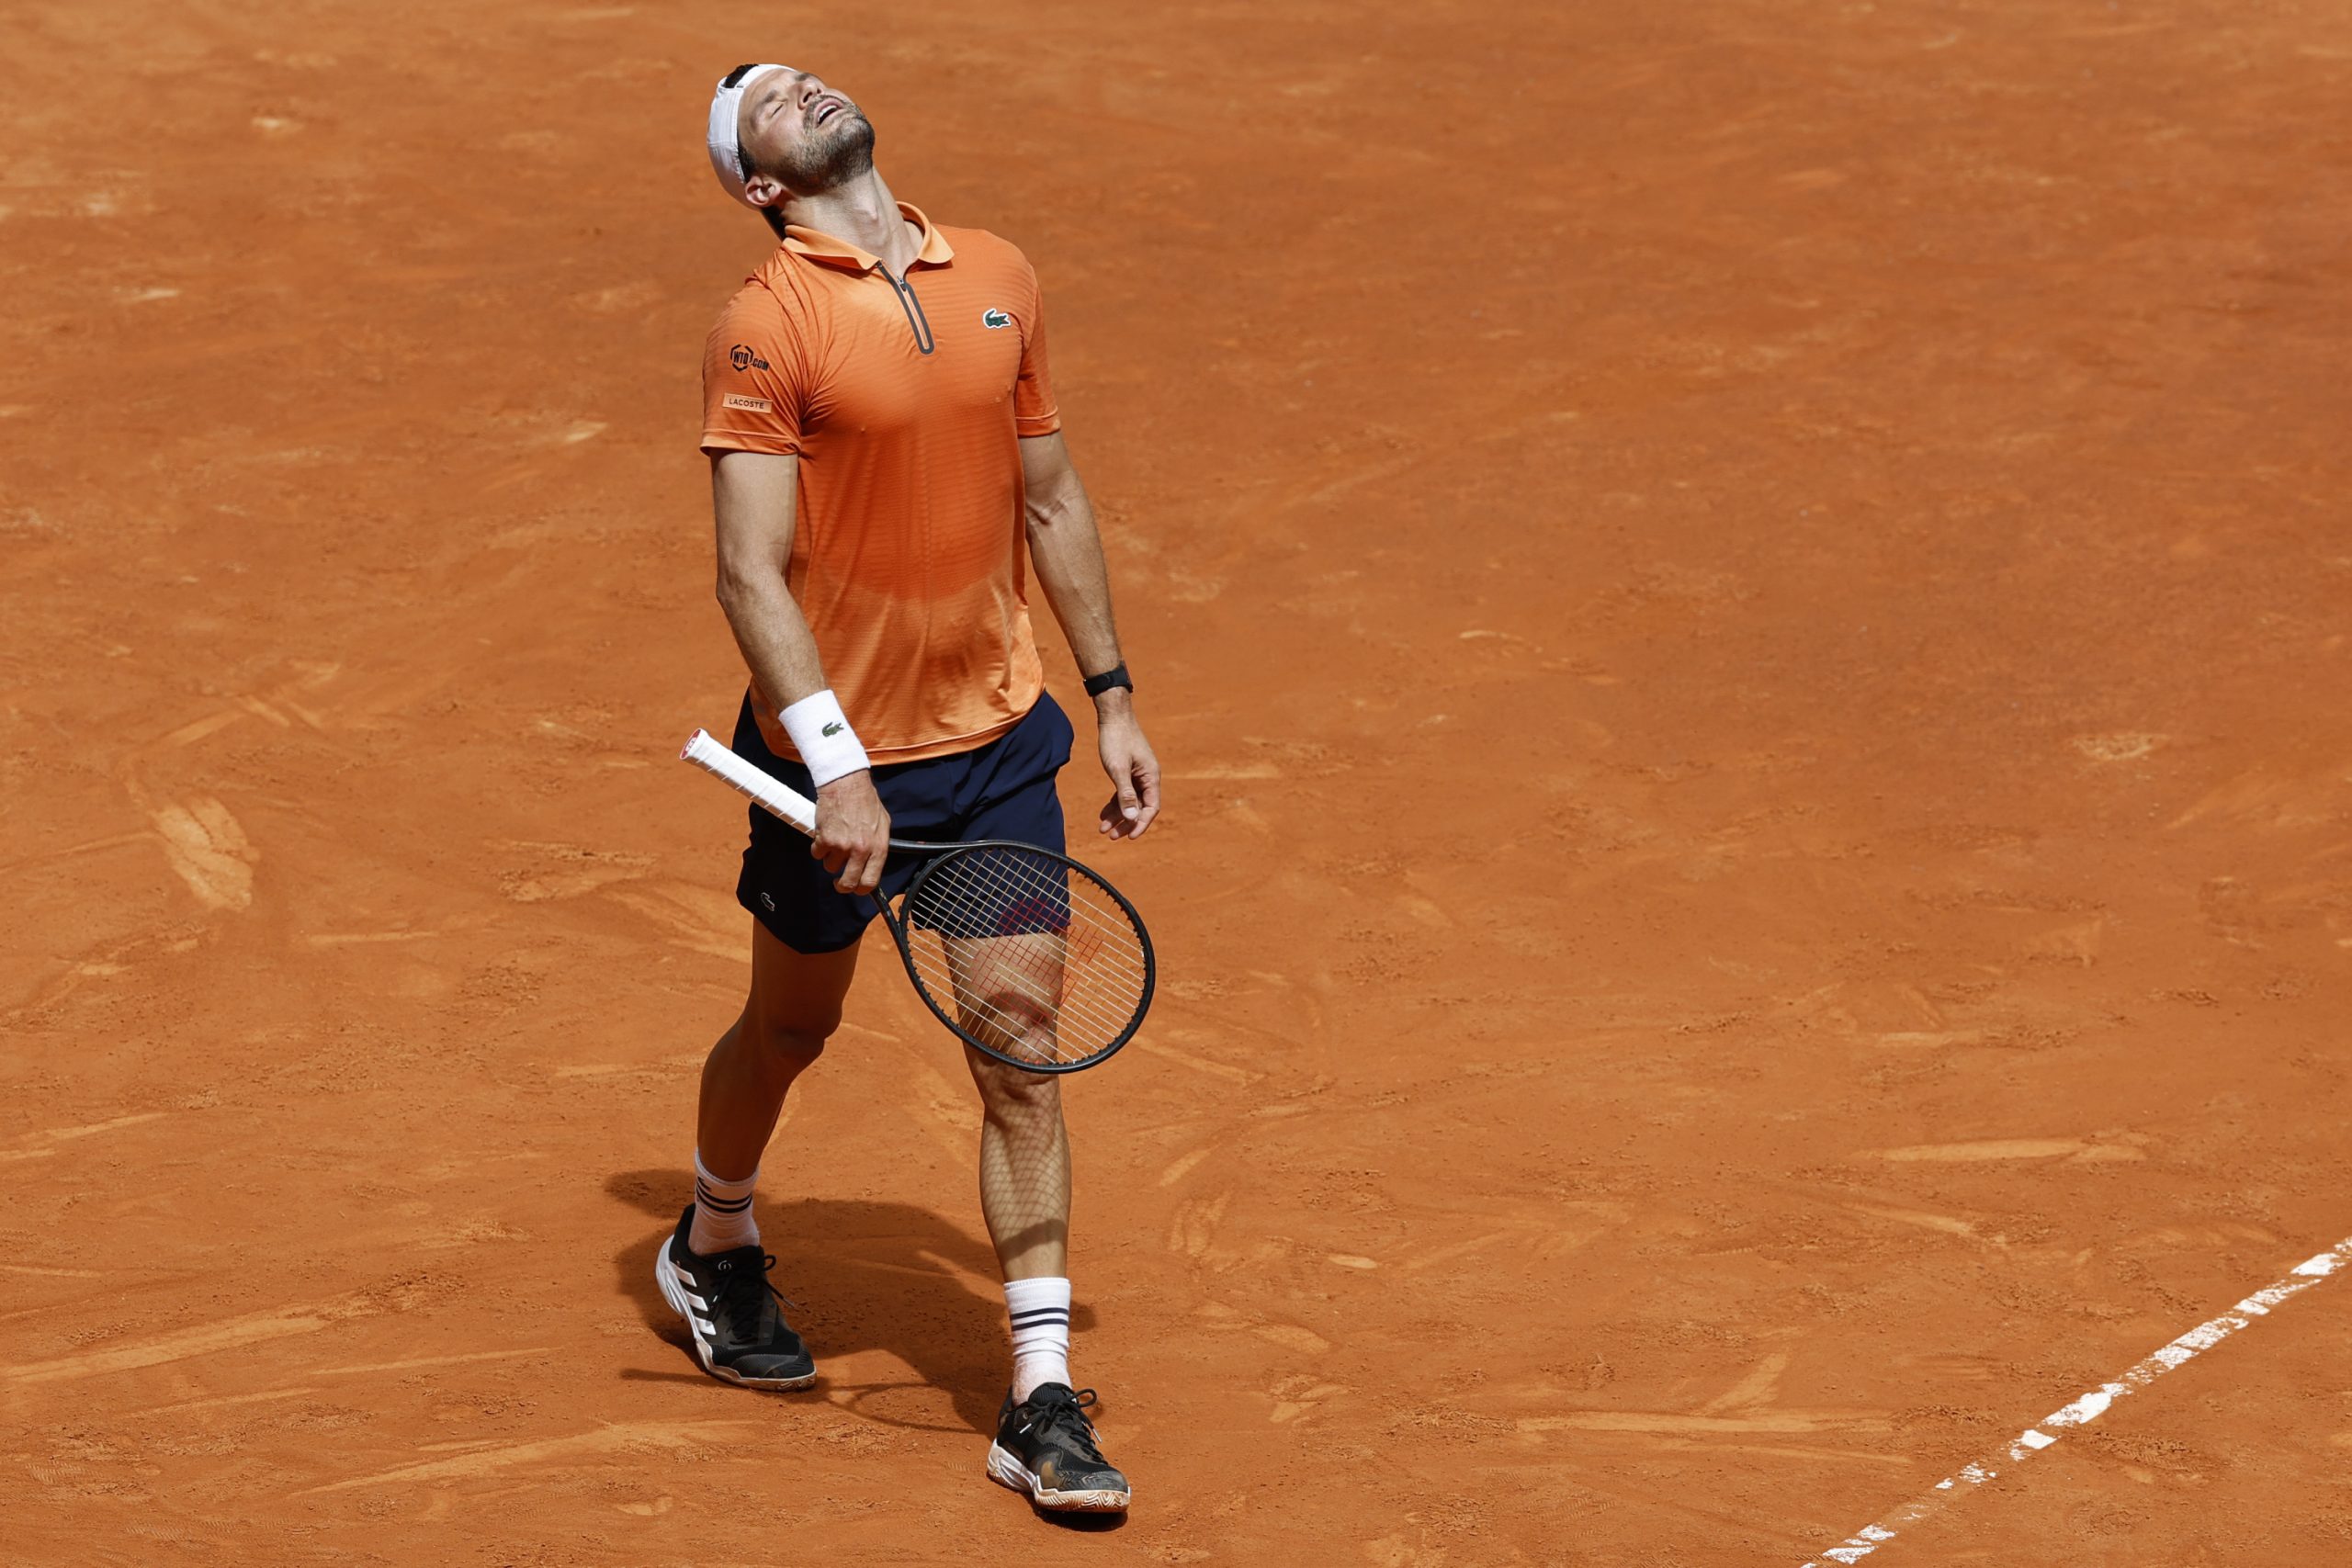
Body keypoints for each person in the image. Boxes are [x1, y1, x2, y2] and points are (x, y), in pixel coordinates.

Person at [652, 62, 1162, 1515]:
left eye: (799, 76)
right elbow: (748, 570)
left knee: (1019, 1061)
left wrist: (1111, 694)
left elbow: (1050, 494)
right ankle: (718, 1237)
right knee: (791, 1026)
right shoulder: (768, 326)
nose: (795, 88)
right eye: (762, 106)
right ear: (759, 185)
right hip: (835, 769)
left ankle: (1040, 1402)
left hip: (999, 749)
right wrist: (836, 765)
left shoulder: (997, 273)